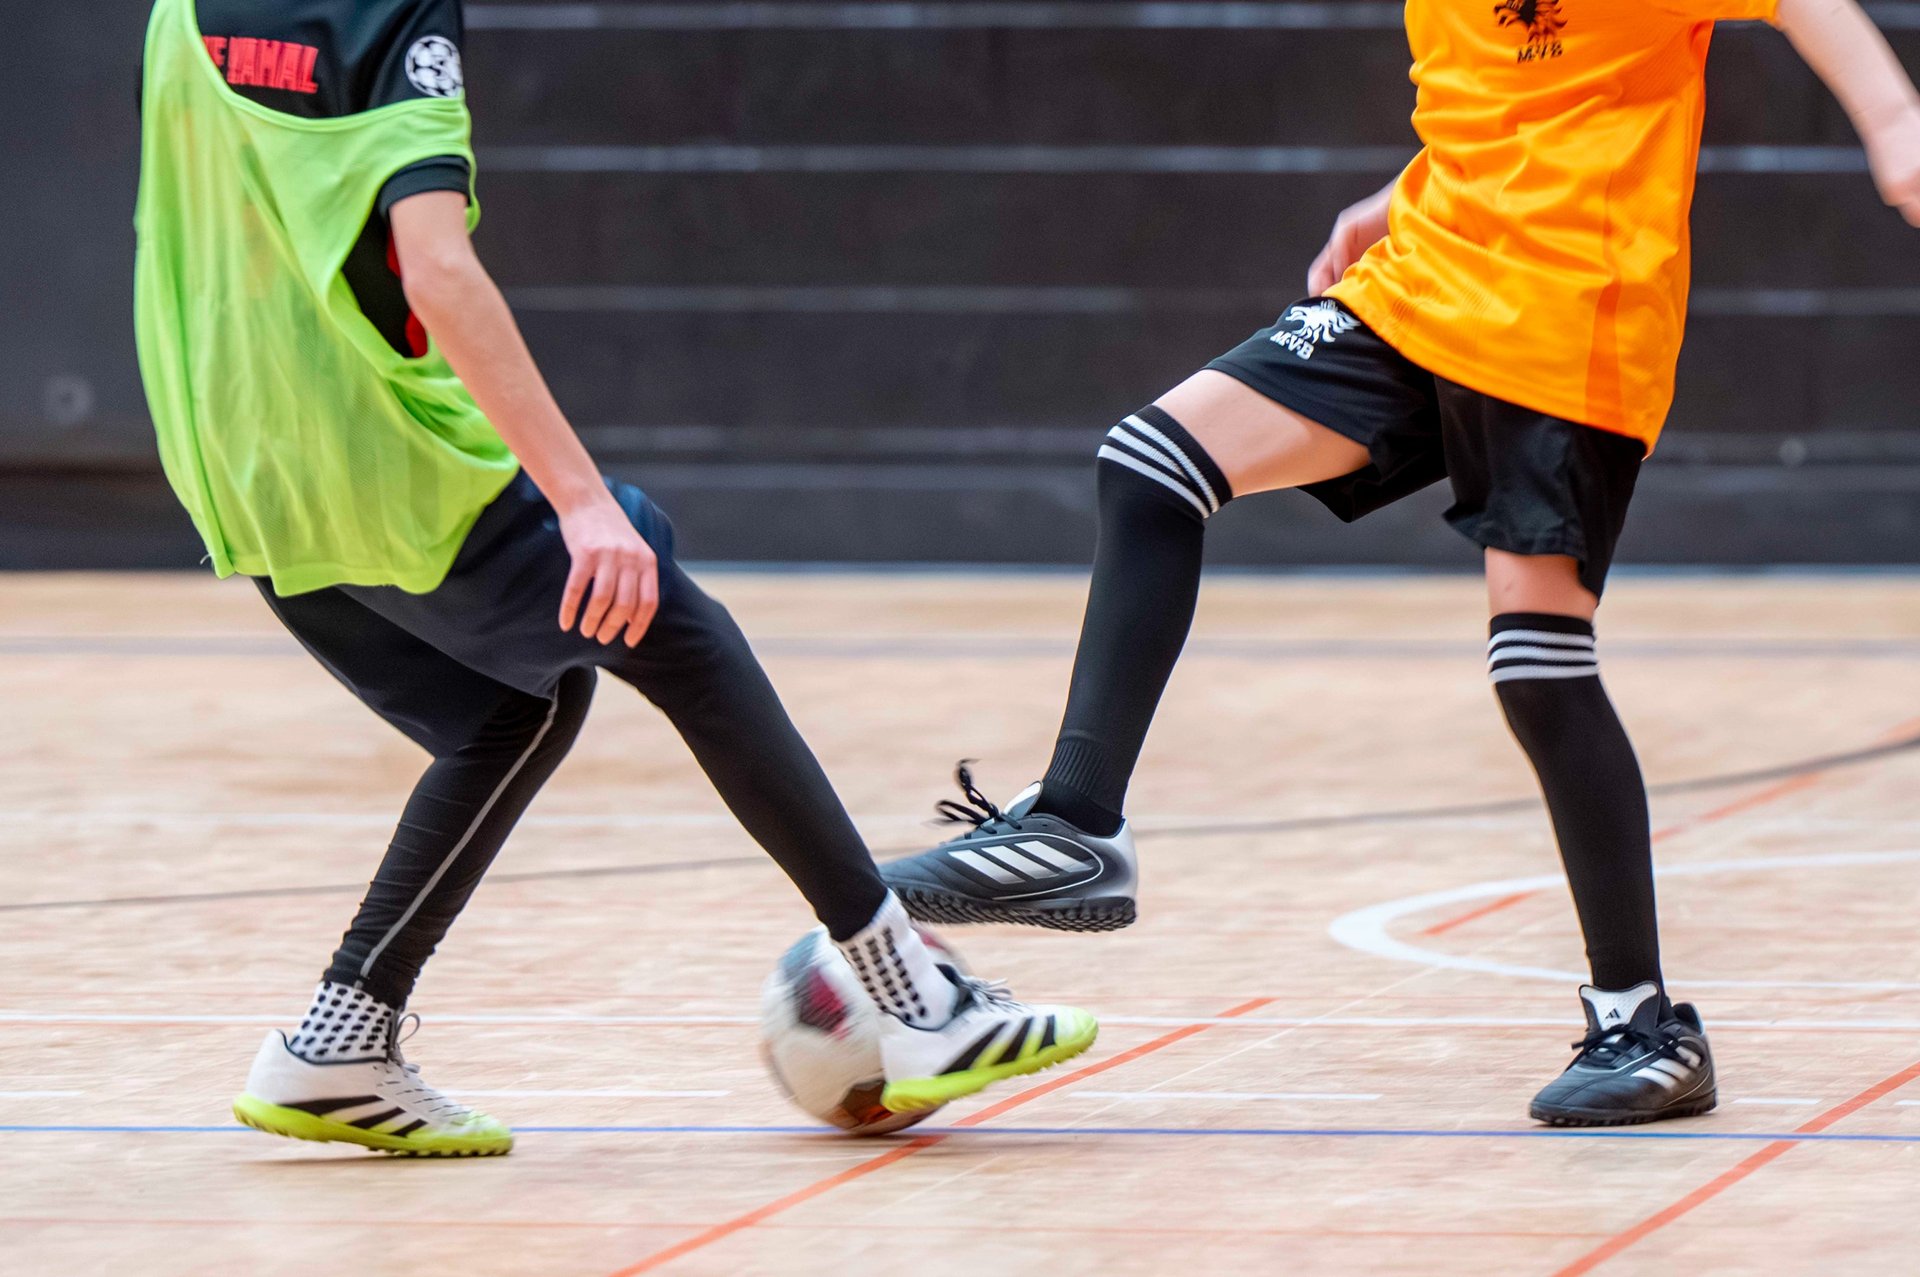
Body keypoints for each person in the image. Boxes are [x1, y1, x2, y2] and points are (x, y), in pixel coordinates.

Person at [883, 0, 1920, 1126]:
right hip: (1430, 273)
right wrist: (1399, 194)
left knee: (1538, 665)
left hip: (1569, 308)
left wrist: (1894, 117)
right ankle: (1078, 823)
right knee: (1152, 462)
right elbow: (1505, 92)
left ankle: (1644, 1021)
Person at [133, 0, 1096, 1157]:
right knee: (664, 612)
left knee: (516, 706)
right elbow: (436, 268)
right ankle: (909, 991)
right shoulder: (392, 14)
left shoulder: (181, 11)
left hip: (236, 460)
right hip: (383, 460)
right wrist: (579, 500)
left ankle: (340, 1039)